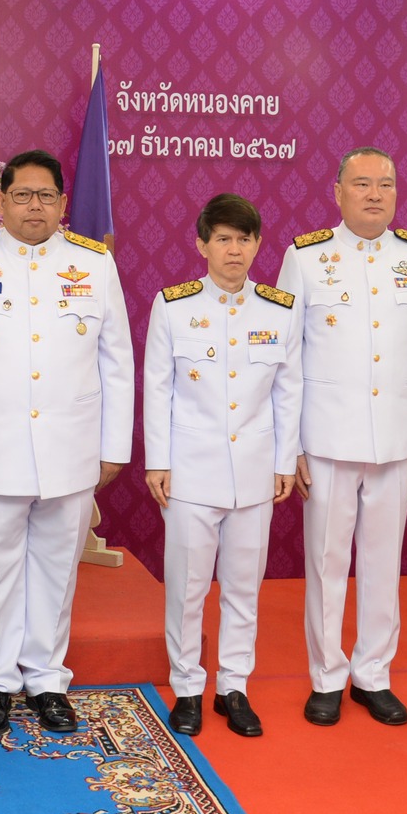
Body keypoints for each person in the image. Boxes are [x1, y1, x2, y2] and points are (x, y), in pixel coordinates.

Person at [0, 149, 134, 737]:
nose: (34, 206)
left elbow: (117, 360)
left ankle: (45, 678)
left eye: (45, 196)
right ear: (1, 201)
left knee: (58, 568)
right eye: (22, 195)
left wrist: (115, 445)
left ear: (63, 204)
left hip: (71, 444)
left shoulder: (95, 265)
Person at [276, 146, 407, 728]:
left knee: (381, 562)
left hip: (396, 438)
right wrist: (289, 444)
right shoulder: (306, 256)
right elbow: (286, 355)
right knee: (326, 561)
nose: (375, 194)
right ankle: (326, 676)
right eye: (362, 183)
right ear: (338, 191)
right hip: (326, 437)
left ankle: (374, 674)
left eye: (386, 184)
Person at [142, 193, 301, 738]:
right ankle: (187, 686)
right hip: (190, 471)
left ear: (258, 244)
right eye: (225, 239)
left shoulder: (280, 308)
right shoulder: (174, 305)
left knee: (242, 588)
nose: (236, 249)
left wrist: (285, 460)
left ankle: (234, 687)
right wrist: (157, 461)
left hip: (256, 474)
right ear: (202, 244)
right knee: (187, 588)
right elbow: (157, 389)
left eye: (246, 238)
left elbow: (289, 391)